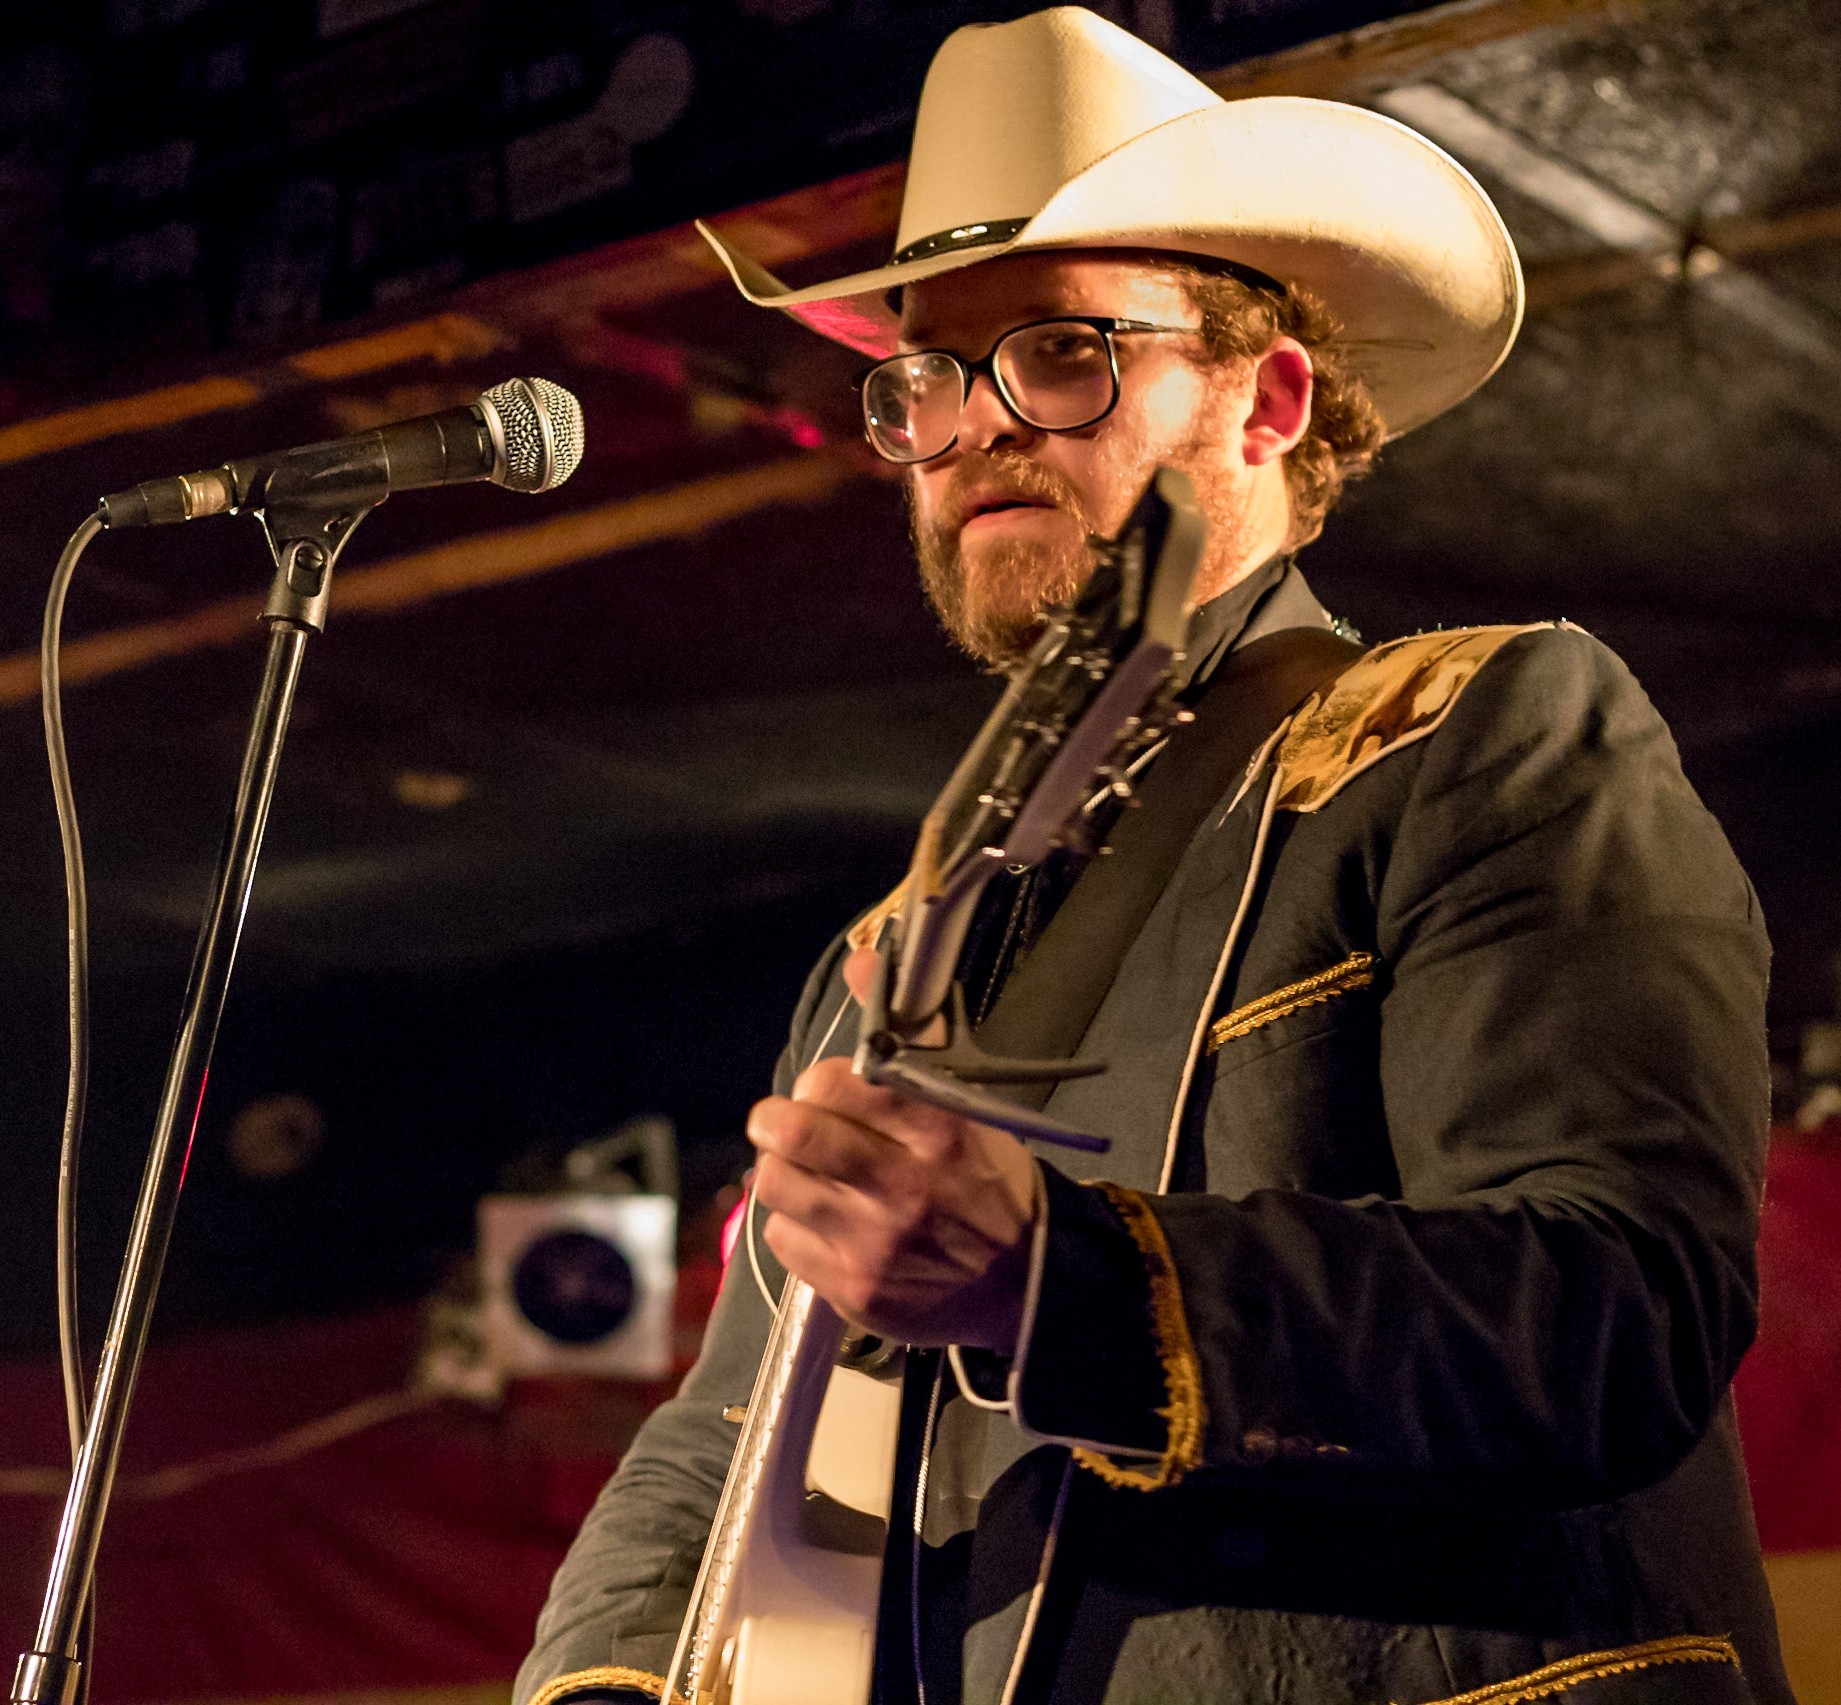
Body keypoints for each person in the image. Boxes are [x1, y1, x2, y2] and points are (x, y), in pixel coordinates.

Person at [517, 11, 1793, 1703]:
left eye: (1057, 354)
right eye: (918, 381)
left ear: (1265, 399)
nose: (965, 426)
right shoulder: (891, 953)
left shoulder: (1480, 733)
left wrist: (1058, 1274)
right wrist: (603, 1680)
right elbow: (731, 1432)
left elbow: (1617, 1307)